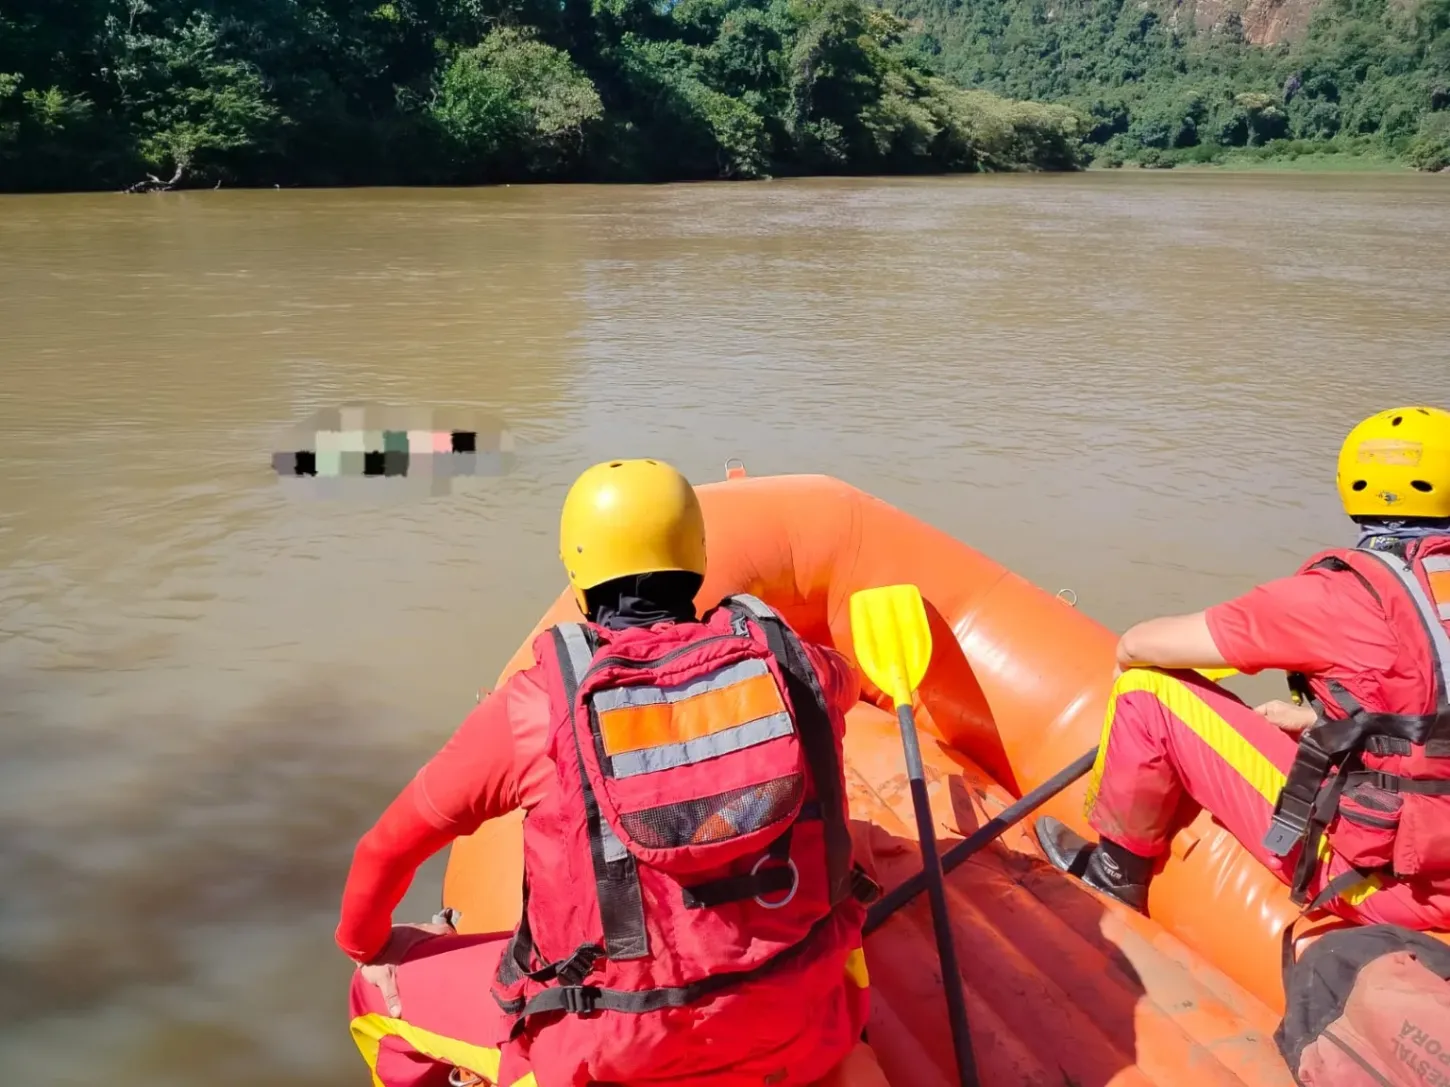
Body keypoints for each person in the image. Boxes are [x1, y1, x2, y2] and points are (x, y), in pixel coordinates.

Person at [337, 458, 885, 1087]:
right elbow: (846, 682)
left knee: (372, 994)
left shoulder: (533, 708)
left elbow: (385, 850)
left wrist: (366, 947)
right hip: (798, 1030)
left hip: (611, 1059)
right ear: (697, 557)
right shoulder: (804, 673)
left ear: (577, 571)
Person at [1036, 405, 1450, 933]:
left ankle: (1114, 874)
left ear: (1353, 485)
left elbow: (1140, 645)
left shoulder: (1337, 596)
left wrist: (1124, 662)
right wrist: (1319, 723)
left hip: (1397, 887)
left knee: (1145, 689)